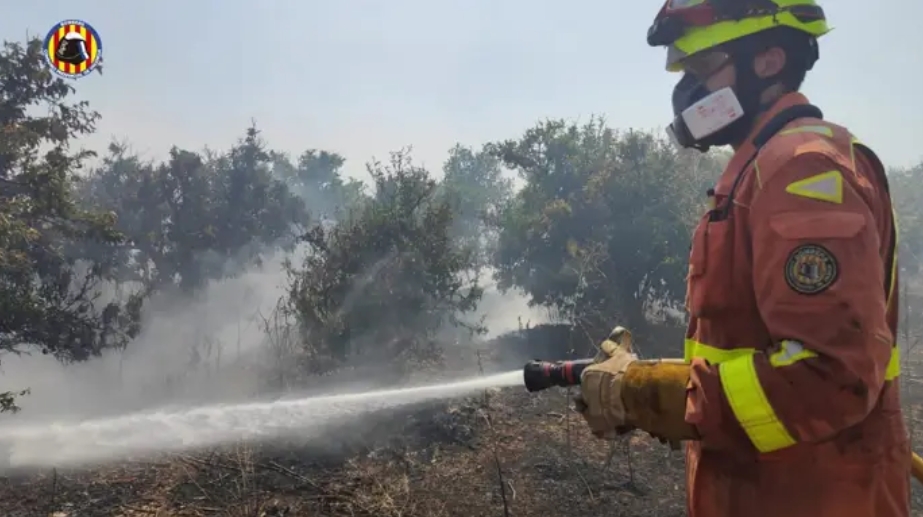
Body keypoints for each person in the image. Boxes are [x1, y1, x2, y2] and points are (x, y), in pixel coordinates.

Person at [574, 1, 911, 516]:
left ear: (769, 62)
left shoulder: (800, 173)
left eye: (702, 69)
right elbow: (748, 349)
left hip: (810, 498)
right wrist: (647, 382)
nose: (687, 92)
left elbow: (830, 377)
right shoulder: (761, 168)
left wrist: (651, 396)